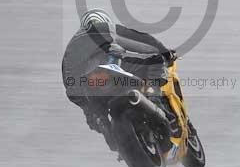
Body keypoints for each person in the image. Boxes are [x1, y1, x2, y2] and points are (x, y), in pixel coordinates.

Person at [61, 8, 177, 149]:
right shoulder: (103, 27)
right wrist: (164, 52)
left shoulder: (70, 48)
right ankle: (156, 100)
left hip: (88, 86)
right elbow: (141, 38)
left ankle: (104, 127)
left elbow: (69, 85)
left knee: (94, 112)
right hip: (112, 75)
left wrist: (88, 109)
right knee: (155, 59)